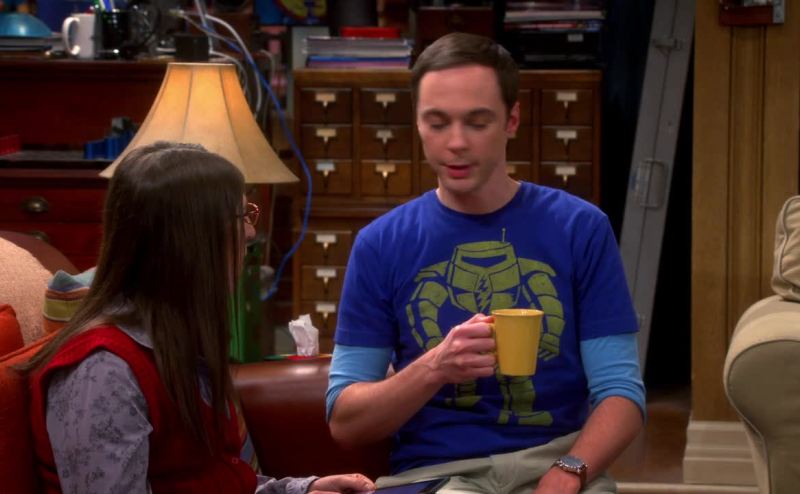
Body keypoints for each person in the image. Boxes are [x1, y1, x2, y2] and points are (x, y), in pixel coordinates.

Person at [325, 33, 646, 494]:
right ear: (417, 123)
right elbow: (345, 420)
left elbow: (621, 393)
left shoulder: (580, 228)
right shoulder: (381, 243)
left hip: (557, 459)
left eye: (477, 123)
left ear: (512, 120)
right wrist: (436, 367)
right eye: (437, 123)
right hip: (439, 474)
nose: (456, 143)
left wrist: (570, 471)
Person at [22, 142, 375, 494]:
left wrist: (300, 491)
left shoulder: (177, 342)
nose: (250, 232)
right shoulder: (102, 372)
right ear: (188, 240)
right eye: (240, 217)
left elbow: (212, 481)